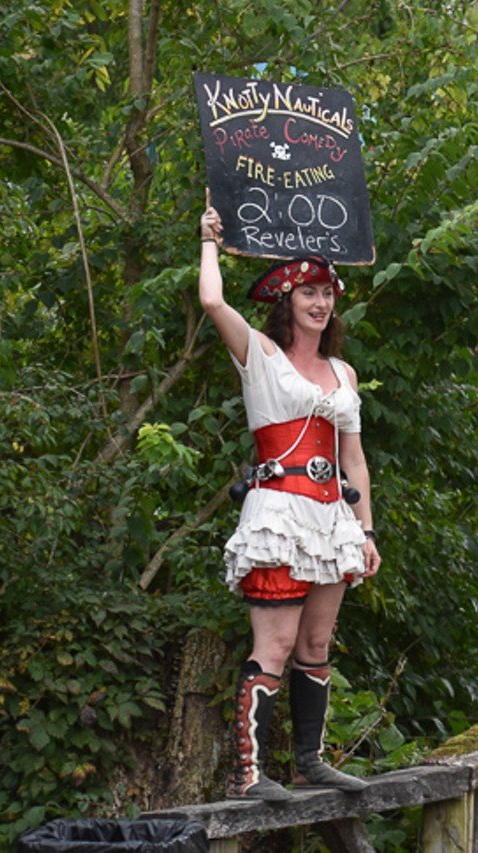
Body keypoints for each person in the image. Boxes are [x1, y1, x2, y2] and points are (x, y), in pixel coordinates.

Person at [199, 196, 379, 800]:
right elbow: (211, 301)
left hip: (331, 516)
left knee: (315, 644)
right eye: (309, 293)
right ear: (287, 302)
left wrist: (367, 531)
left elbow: (354, 458)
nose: (321, 303)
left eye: (328, 293)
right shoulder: (261, 355)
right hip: (278, 511)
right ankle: (246, 773)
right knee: (274, 643)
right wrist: (209, 242)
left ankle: (310, 761)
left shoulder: (344, 372)